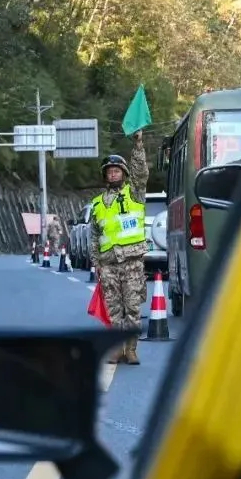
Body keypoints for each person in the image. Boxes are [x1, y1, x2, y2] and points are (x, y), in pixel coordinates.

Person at [89, 130, 149, 365]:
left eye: (117, 170)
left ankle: (131, 350)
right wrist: (96, 263)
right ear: (105, 176)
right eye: (109, 171)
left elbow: (141, 172)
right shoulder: (97, 204)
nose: (113, 174)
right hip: (108, 265)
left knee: (132, 309)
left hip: (132, 263)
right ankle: (115, 348)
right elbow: (95, 236)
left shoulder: (134, 193)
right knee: (114, 311)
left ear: (124, 173)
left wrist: (138, 145)